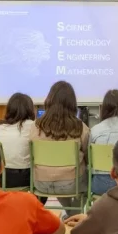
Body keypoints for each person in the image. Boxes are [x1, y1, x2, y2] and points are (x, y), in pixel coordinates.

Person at [30, 81, 89, 215]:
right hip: (71, 184)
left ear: (49, 100)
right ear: (72, 103)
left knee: (57, 175)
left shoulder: (35, 127)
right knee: (86, 180)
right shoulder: (81, 128)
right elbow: (88, 157)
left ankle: (70, 215)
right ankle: (73, 216)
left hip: (41, 183)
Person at [0, 93, 36, 190]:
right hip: (25, 178)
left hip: (2, 178)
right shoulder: (33, 126)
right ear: (30, 109)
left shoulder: (0, 127)